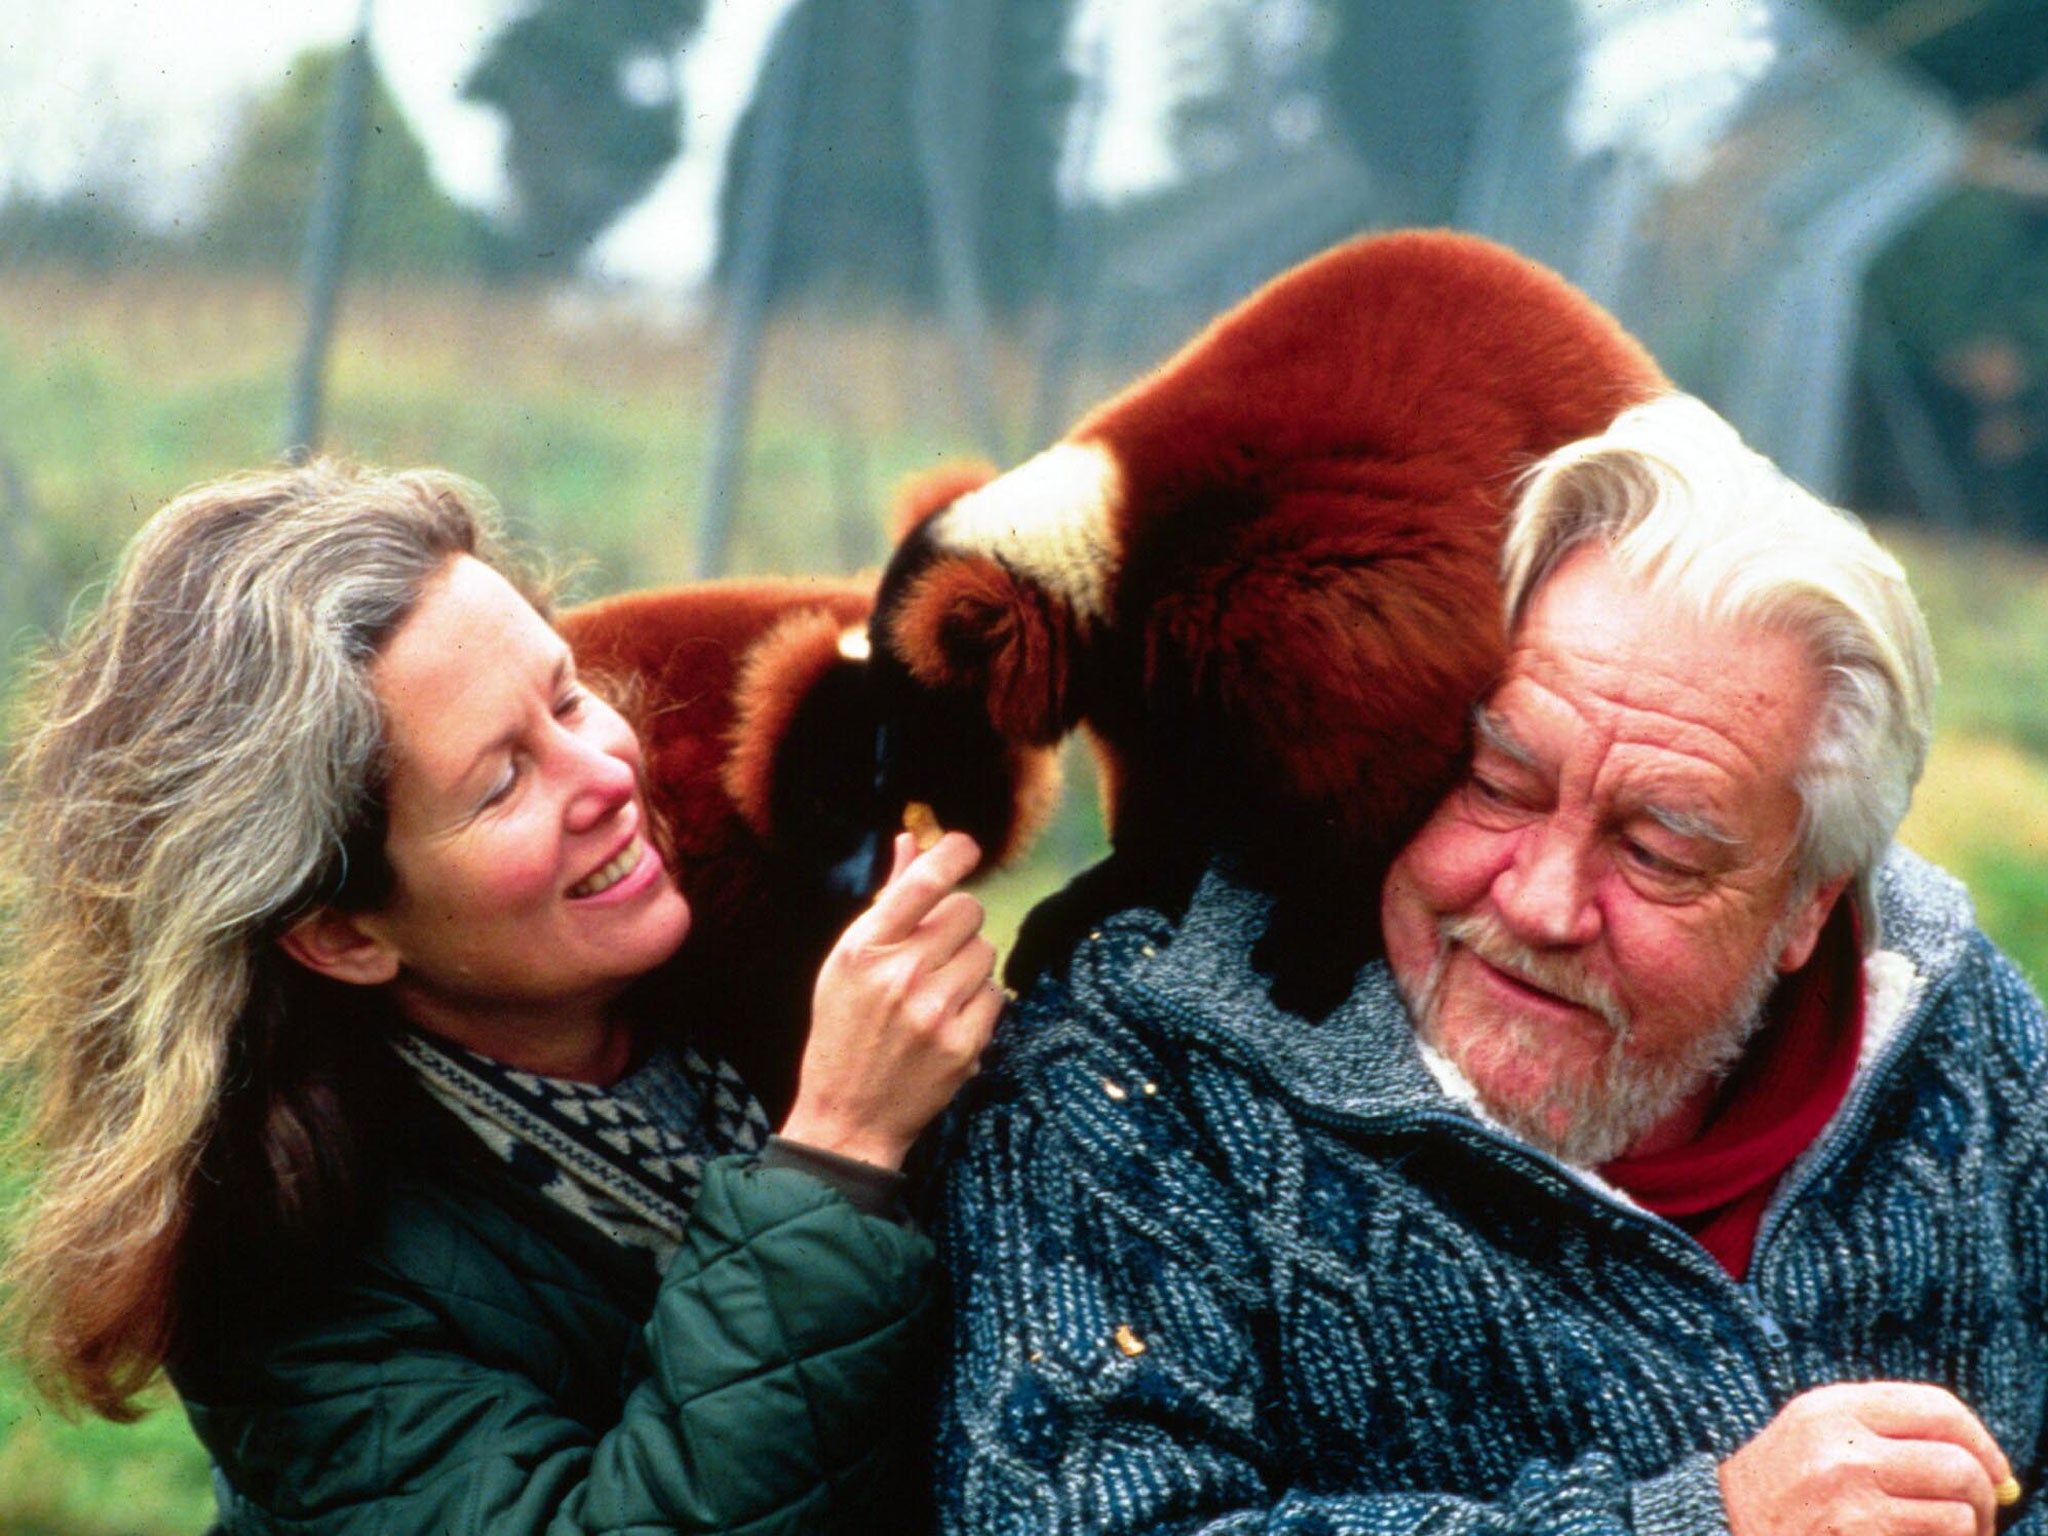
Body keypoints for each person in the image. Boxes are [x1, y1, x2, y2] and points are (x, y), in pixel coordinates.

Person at [934, 393, 2048, 1536]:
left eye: (1657, 851)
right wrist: (1700, 1525)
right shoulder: (1139, 1074)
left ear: (1811, 900)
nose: (1538, 899)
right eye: (1497, 785)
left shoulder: (1956, 1034)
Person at [0, 459, 1002, 1534]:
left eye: (567, 695)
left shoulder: (730, 946)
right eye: (502, 781)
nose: (611, 771)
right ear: (341, 936)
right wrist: (840, 1147)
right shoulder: (290, 1287)